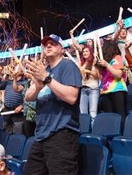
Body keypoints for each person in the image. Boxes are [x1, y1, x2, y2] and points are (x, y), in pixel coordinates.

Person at [23, 34, 82, 174]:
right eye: (46, 44)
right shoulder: (45, 70)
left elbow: (72, 97)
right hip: (41, 134)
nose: (48, 46)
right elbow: (28, 96)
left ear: (62, 49)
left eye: (53, 44)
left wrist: (46, 78)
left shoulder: (68, 66)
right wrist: (38, 86)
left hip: (61, 134)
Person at [97, 39, 128, 128]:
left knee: (120, 116)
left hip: (118, 89)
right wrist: (97, 67)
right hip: (107, 91)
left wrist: (107, 65)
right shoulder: (105, 61)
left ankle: (123, 136)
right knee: (109, 118)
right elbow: (101, 78)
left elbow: (118, 75)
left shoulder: (117, 58)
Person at [77, 46, 100, 126]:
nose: (84, 53)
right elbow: (79, 73)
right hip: (83, 89)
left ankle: (93, 133)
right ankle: (84, 131)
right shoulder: (82, 62)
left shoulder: (94, 62)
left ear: (91, 52)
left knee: (93, 113)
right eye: (83, 52)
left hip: (93, 89)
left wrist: (88, 71)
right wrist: (85, 64)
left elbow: (98, 76)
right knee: (83, 113)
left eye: (87, 51)